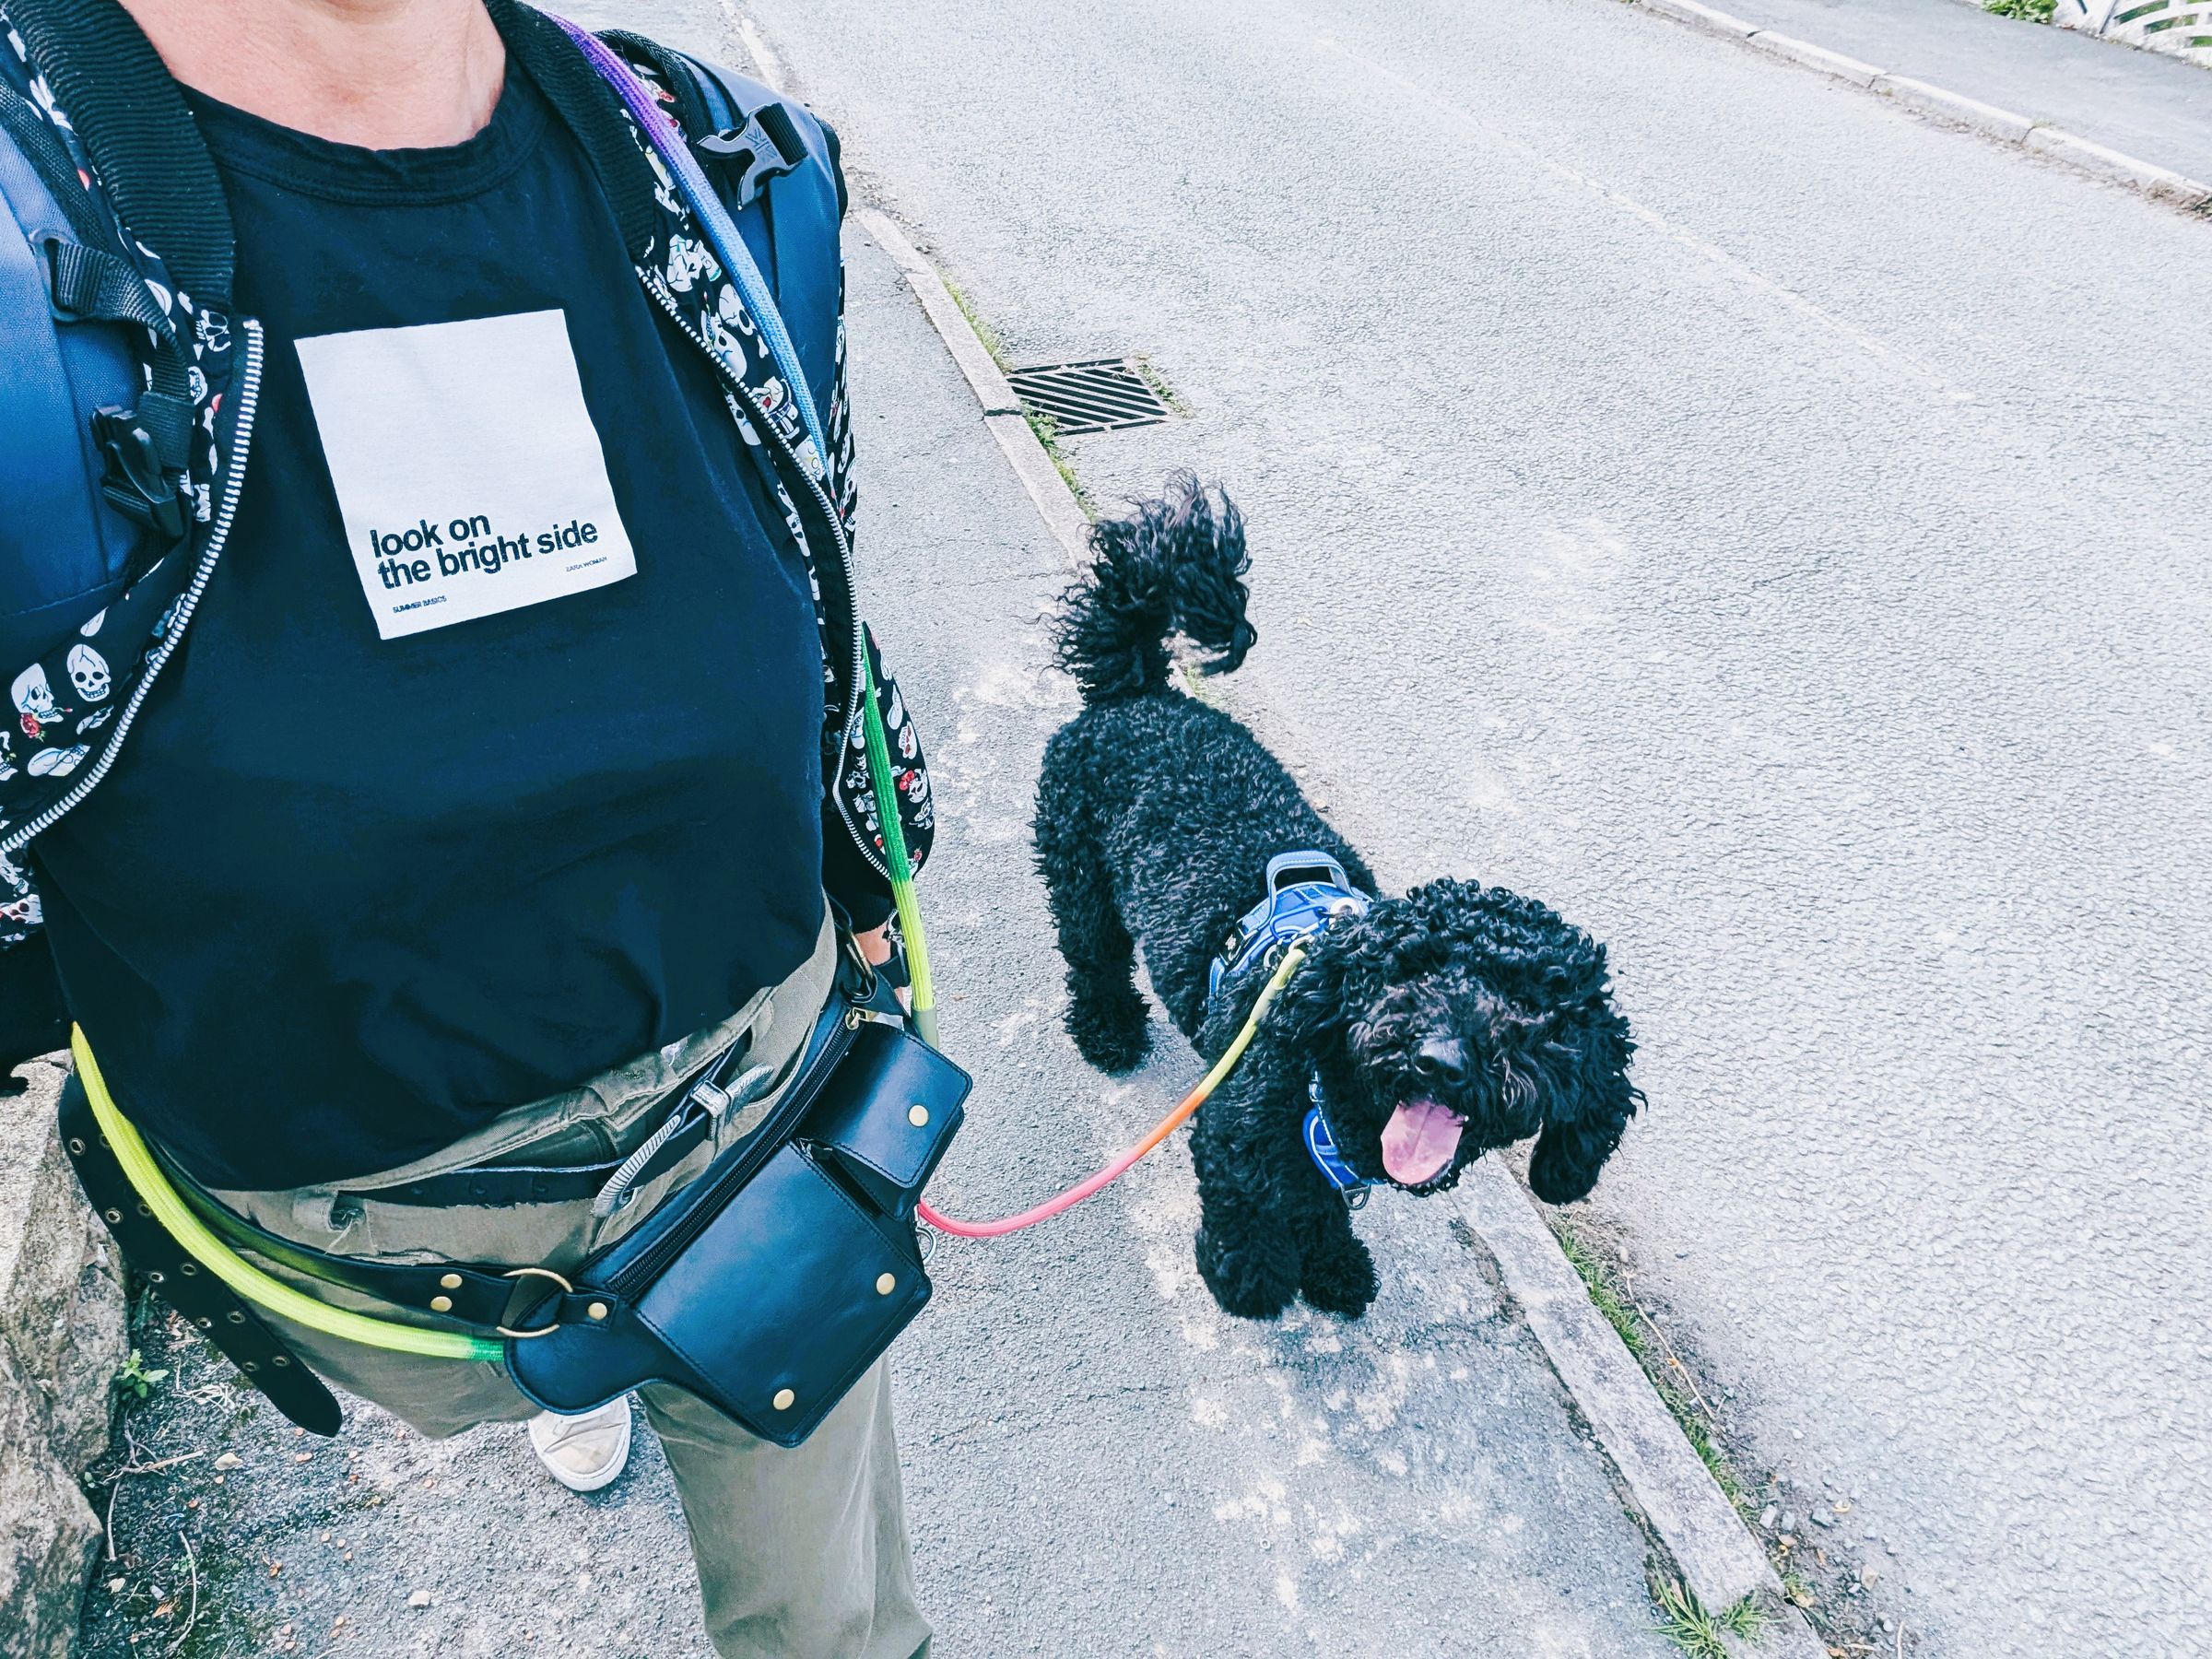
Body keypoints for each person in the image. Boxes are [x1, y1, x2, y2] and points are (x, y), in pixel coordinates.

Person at [0, 0, 936, 1653]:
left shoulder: (711, 157)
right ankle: (577, 1367)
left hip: (761, 1142)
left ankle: (623, 1358)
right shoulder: (31, 254)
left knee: (842, 1619)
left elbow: (822, 611)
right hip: (361, 1262)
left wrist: (871, 897)